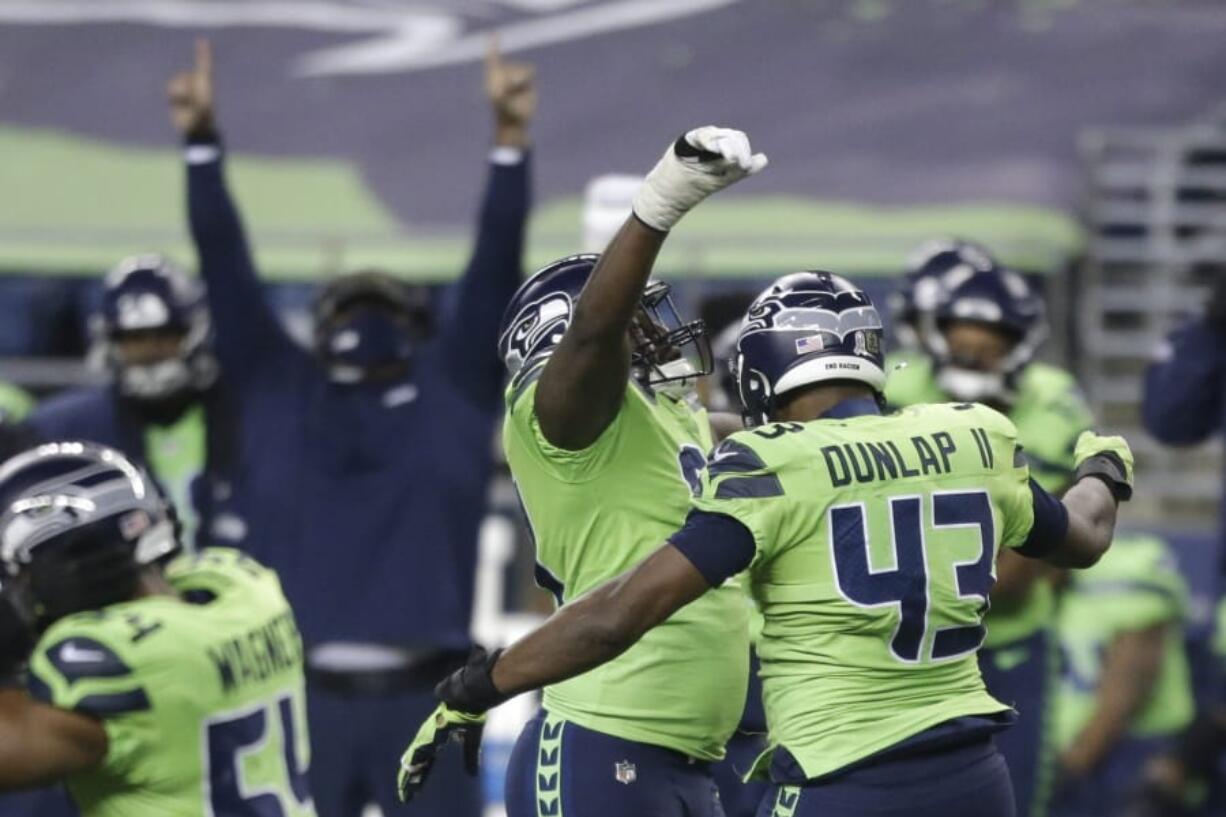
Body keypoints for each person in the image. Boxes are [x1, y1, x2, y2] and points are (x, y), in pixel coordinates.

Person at [399, 269, 1134, 817]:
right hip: (975, 773)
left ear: (764, 369)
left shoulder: (773, 464)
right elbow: (1085, 533)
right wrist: (1103, 468)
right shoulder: (973, 433)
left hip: (840, 774)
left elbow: (619, 612)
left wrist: (484, 684)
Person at [166, 37, 534, 817]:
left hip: (407, 696)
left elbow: (495, 270)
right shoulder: (305, 384)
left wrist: (510, 146)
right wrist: (507, 143)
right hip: (310, 696)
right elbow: (223, 267)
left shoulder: (432, 384)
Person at [398, 125, 766, 816]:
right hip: (605, 744)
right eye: (639, 315)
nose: (659, 331)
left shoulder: (666, 413)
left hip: (686, 757)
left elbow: (764, 444)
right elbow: (595, 333)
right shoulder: (559, 411)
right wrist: (660, 205)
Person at [0, 441, 313, 817]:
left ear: (78, 561)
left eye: (21, 580)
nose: (18, 596)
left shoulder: (117, 653)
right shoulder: (240, 589)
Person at [886, 252, 1094, 817]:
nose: (974, 349)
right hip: (898, 657)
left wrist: (894, 593)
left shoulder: (1051, 401)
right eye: (962, 333)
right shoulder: (893, 386)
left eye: (993, 337)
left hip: (1001, 647)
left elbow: (1018, 572)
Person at [28, 255, 241, 552]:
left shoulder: (248, 423)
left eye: (164, 336)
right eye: (135, 339)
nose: (151, 353)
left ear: (195, 334)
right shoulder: (64, 428)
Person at [1050, 532, 1193, 817]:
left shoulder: (1129, 565)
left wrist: (1055, 777)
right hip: (1056, 756)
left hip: (1121, 757)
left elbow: (1117, 706)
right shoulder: (1025, 596)